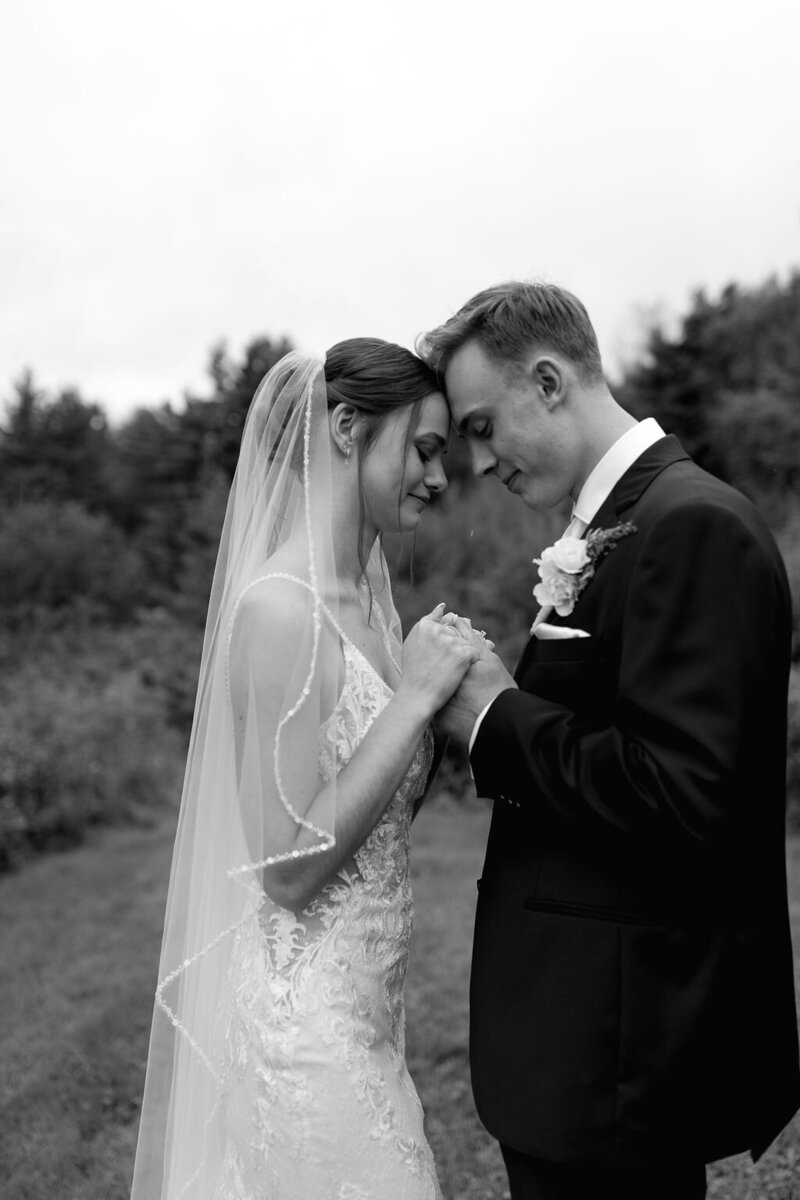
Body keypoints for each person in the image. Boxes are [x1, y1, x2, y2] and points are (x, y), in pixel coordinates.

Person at [418, 281, 800, 1200]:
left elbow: (686, 794)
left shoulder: (691, 525)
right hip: (585, 1045)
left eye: (479, 427)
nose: (478, 463)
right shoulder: (627, 522)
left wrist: (495, 718)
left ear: (547, 381)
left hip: (620, 1052)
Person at [130, 339, 486, 1200]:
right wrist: (411, 703)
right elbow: (286, 866)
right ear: (344, 426)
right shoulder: (280, 611)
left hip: (370, 1016)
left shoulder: (370, 609)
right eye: (425, 449)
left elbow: (377, 811)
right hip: (308, 1029)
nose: (440, 478)